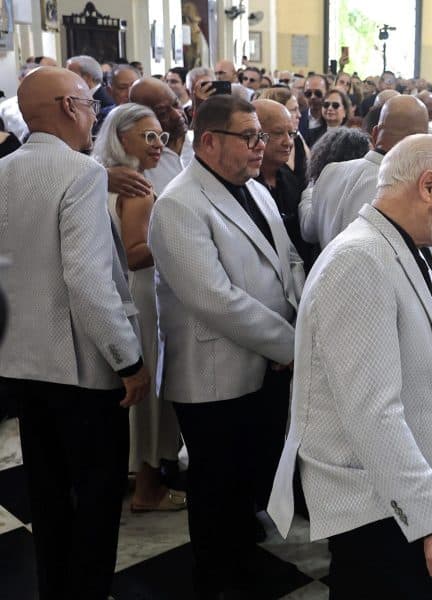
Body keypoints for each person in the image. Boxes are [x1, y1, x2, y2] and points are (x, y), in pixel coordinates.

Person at [268, 134, 432, 600]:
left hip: (397, 492)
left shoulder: (397, 243)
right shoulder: (359, 259)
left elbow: (394, 336)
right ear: (428, 186)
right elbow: (371, 414)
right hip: (377, 505)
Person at [0, 66, 149, 600]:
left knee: (47, 496)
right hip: (82, 369)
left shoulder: (5, 168)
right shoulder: (80, 173)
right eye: (90, 104)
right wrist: (128, 360)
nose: (93, 114)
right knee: (95, 502)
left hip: (23, 362)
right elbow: (87, 280)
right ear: (68, 107)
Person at [148, 94, 303, 597]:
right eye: (250, 137)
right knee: (216, 483)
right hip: (213, 371)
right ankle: (215, 578)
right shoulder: (179, 204)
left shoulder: (253, 189)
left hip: (266, 362)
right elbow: (215, 299)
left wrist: (299, 319)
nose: (262, 146)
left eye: (263, 136)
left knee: (249, 472)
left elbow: (288, 261)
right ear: (210, 142)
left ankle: (242, 560)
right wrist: (289, 345)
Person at [93, 103, 187, 513]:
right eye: (148, 136)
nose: (157, 144)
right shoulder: (138, 189)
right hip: (141, 296)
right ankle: (148, 488)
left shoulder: (98, 179)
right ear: (121, 138)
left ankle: (132, 474)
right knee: (148, 392)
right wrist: (179, 238)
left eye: (160, 136)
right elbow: (135, 254)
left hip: (121, 295)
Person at [301, 95, 427, 247]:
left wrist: (309, 192)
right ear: (424, 142)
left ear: (374, 134)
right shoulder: (413, 193)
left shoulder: (329, 172)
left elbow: (308, 232)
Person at [253, 99, 315, 269]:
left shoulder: (291, 180)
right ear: (255, 135)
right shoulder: (242, 186)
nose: (288, 142)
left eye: (291, 134)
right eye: (278, 133)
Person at [66, 55, 114, 133]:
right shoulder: (75, 97)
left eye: (70, 74)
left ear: (87, 77)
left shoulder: (105, 103)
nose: (66, 79)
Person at [299, 74, 329, 146]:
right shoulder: (298, 118)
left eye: (318, 93)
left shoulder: (333, 119)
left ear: (327, 93)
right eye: (308, 93)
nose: (313, 97)